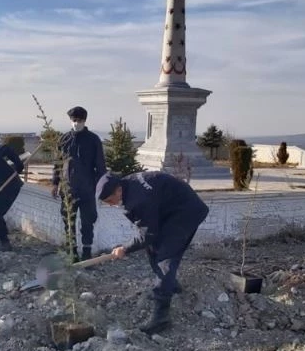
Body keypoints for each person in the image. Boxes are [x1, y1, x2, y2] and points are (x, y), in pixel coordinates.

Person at [96, 171, 209, 335]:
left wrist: (125, 248)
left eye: (109, 200)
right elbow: (148, 233)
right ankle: (170, 285)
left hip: (185, 212)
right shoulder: (127, 185)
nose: (110, 204)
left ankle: (161, 316)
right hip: (169, 211)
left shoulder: (138, 200)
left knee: (166, 257)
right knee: (153, 248)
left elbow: (146, 235)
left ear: (118, 190)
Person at [52, 106, 106, 262]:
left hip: (88, 189)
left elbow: (100, 166)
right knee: (69, 221)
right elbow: (58, 164)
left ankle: (87, 252)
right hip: (68, 190)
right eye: (74, 120)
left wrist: (102, 187)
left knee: (88, 221)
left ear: (85, 121)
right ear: (70, 120)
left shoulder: (93, 140)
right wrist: (55, 184)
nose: (77, 123)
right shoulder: (64, 139)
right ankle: (72, 252)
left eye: (80, 120)